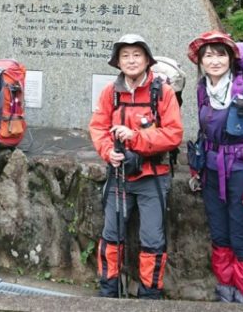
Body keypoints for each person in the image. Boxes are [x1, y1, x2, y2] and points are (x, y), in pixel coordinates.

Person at [88, 34, 183, 300]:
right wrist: (108, 152)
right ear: (118, 62)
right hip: (119, 175)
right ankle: (108, 290)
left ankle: (150, 295)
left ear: (147, 60)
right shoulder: (110, 92)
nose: (131, 61)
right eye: (125, 56)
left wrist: (135, 137)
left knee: (152, 239)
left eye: (137, 55)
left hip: (153, 176)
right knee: (111, 235)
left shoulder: (162, 92)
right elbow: (98, 127)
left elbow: (173, 134)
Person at [187, 30, 243, 305]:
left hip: (241, 174)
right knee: (220, 236)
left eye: (220, 55)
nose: (214, 61)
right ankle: (225, 294)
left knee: (242, 239)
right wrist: (197, 167)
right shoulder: (202, 89)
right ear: (200, 61)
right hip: (211, 173)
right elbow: (204, 133)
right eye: (208, 55)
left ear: (230, 59)